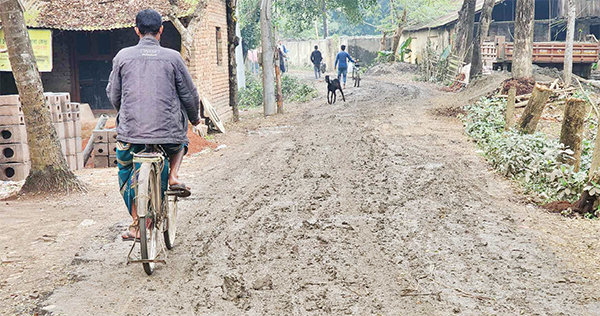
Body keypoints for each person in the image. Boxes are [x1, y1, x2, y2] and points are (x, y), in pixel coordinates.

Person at [106, 9, 201, 240]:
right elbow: (190, 95)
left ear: (136, 30)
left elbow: (113, 94)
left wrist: (128, 112)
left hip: (131, 136)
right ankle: (173, 176)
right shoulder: (173, 58)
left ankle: (137, 223)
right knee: (179, 144)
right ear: (161, 30)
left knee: (125, 169)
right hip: (168, 136)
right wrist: (195, 119)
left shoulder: (122, 57)